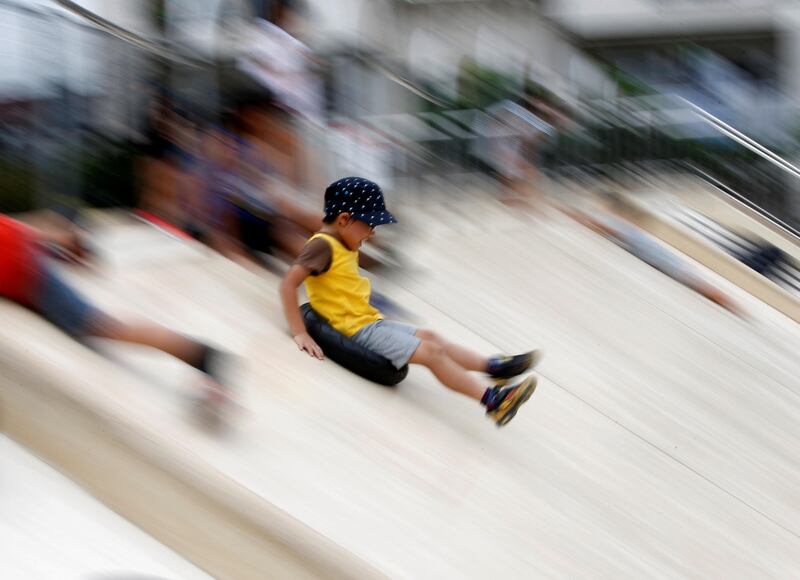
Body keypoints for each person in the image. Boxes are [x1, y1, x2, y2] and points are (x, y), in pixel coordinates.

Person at [280, 177, 541, 427]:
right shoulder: (322, 246)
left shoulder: (343, 243)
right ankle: (493, 402)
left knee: (431, 337)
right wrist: (300, 332)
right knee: (432, 354)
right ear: (345, 219)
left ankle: (494, 367)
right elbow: (288, 284)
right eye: (369, 224)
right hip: (356, 330)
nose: (371, 232)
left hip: (369, 321)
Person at [0, 213, 232, 410]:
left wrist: (58, 243)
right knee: (103, 326)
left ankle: (201, 354)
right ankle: (201, 355)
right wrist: (58, 242)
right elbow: (16, 230)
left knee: (101, 327)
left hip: (27, 274)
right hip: (23, 255)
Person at [561, 192, 743, 315]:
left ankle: (734, 306)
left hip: (660, 258)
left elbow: (605, 228)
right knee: (697, 282)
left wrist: (575, 215)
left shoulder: (620, 224)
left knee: (698, 284)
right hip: (660, 255)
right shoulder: (626, 224)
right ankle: (733, 305)